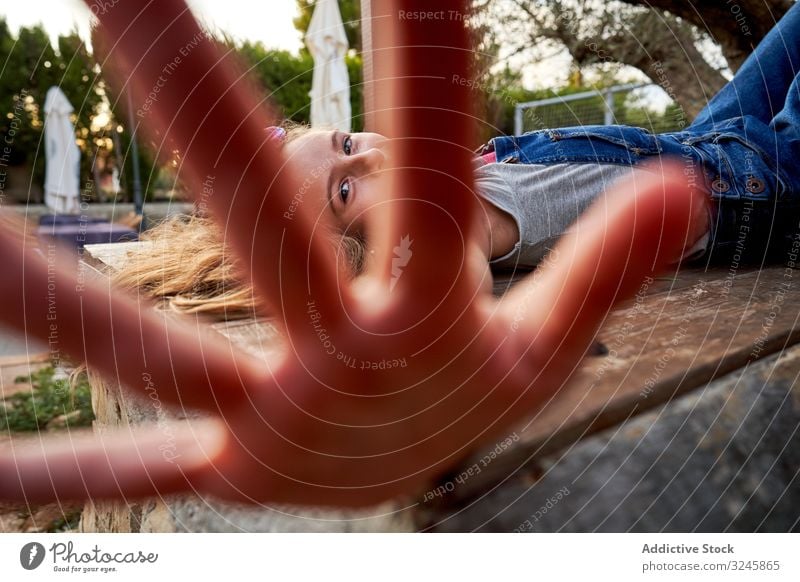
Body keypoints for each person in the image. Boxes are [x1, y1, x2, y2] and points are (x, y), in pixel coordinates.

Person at [0, 0, 792, 508]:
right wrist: (430, 388)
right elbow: (454, 284)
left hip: (704, 139)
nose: (371, 159)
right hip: (767, 179)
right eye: (346, 192)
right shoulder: (445, 223)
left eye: (346, 142)